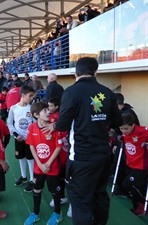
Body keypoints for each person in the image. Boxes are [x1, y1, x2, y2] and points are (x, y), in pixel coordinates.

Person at [47, 57, 123, 225]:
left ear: (76, 73)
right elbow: (118, 121)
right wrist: (101, 122)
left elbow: (63, 124)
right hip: (103, 156)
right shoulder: (107, 92)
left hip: (81, 158)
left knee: (81, 202)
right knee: (100, 195)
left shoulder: (71, 92)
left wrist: (55, 125)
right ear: (96, 72)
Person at [24, 102, 63, 225]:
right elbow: (32, 146)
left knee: (54, 191)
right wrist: (40, 164)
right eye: (45, 110)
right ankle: (35, 213)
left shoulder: (54, 128)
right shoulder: (32, 128)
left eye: (48, 109)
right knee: (37, 190)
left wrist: (48, 163)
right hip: (38, 167)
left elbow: (58, 147)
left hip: (52, 167)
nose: (48, 112)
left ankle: (57, 213)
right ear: (36, 115)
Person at [7, 85, 35, 193]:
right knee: (21, 157)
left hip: (29, 139)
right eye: (30, 96)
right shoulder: (13, 108)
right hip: (18, 138)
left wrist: (31, 135)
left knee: (30, 159)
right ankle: (24, 177)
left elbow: (35, 123)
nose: (32, 98)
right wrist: (15, 134)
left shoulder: (31, 108)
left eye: (33, 96)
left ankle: (32, 180)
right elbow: (9, 123)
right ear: (23, 95)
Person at [119, 113, 148, 216]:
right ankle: (138, 208)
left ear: (133, 125)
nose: (123, 131)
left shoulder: (143, 131)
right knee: (138, 187)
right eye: (121, 129)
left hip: (141, 166)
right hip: (130, 164)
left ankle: (144, 204)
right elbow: (121, 137)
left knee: (126, 184)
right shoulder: (124, 133)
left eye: (126, 129)